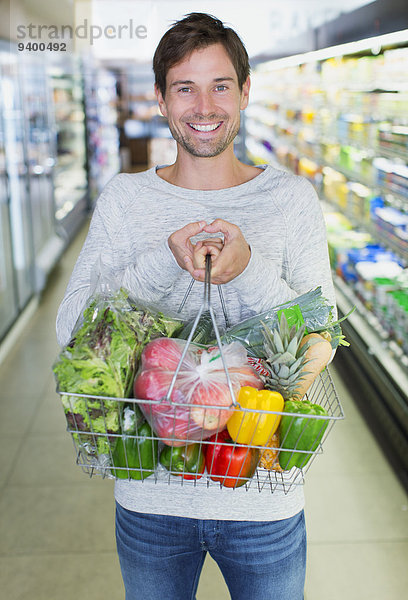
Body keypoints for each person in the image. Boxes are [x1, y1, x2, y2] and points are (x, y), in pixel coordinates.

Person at [56, 12, 336, 600]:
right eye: (184, 87)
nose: (203, 105)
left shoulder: (290, 200)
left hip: (262, 494)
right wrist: (165, 260)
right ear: (160, 100)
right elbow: (69, 326)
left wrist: (248, 270)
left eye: (220, 86)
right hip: (151, 496)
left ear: (245, 92)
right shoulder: (126, 201)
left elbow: (322, 331)